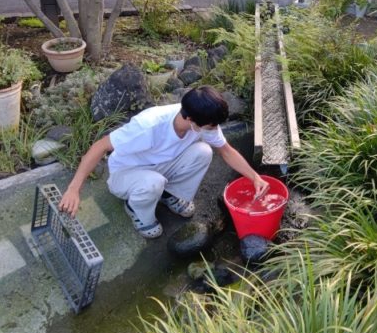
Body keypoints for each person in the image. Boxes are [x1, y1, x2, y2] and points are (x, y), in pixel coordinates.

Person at [58, 86, 270, 239]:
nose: (214, 130)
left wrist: (254, 177)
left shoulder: (201, 120)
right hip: (127, 174)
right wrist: (73, 189)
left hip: (161, 166)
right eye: (210, 126)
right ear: (190, 119)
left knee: (204, 152)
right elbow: (100, 146)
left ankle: (170, 194)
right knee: (153, 183)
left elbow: (226, 150)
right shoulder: (148, 126)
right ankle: (137, 210)